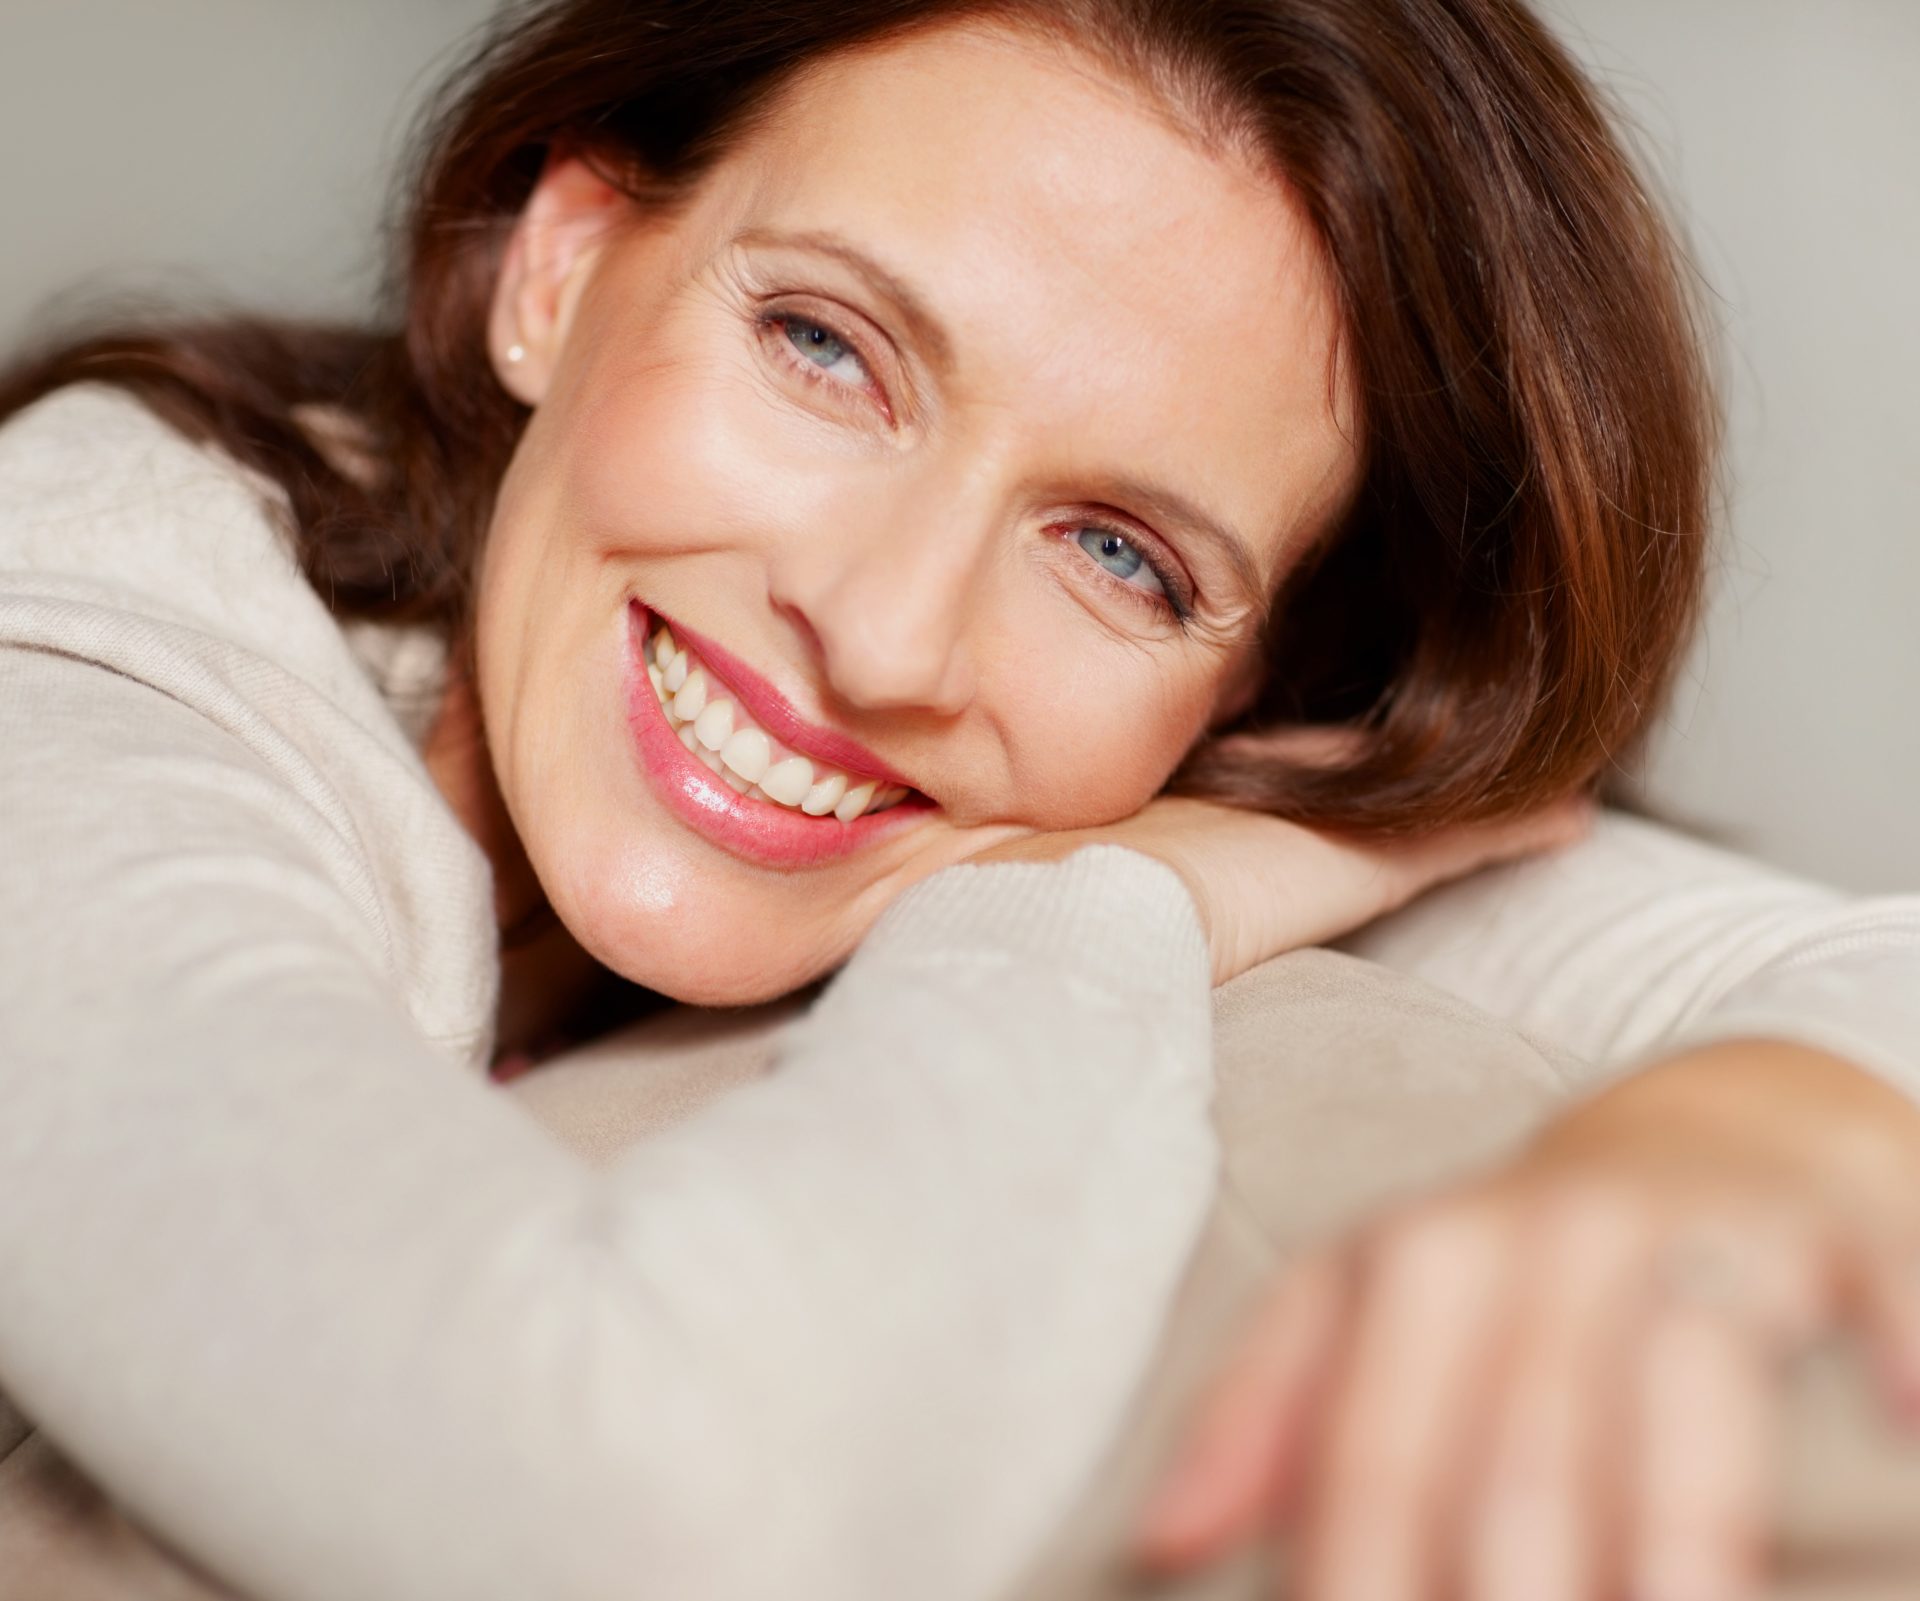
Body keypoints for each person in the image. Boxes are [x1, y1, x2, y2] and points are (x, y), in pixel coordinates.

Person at [0, 1, 1914, 1599]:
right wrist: (1113, 903)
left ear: (1250, 696)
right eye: (825, 347)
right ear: (560, 265)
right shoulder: (74, 638)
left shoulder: (1160, 765)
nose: (886, 632)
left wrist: (1746, 1125)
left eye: (1119, 554)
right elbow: (639, 1515)